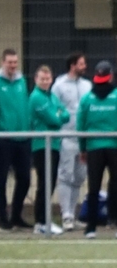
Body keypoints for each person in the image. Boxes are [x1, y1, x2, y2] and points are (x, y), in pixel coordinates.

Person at [0, 49, 32, 231]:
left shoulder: (22, 81)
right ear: (2, 62)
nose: (13, 65)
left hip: (23, 138)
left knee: (25, 179)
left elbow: (25, 106)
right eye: (9, 62)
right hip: (4, 139)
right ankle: (2, 218)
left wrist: (27, 129)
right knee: (1, 180)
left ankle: (16, 216)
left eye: (15, 62)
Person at [77, 60, 117, 239]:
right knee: (115, 185)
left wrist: (82, 148)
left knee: (93, 187)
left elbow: (81, 125)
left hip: (93, 148)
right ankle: (114, 222)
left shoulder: (87, 98)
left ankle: (91, 228)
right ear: (111, 76)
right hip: (114, 147)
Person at [52, 52, 92, 231]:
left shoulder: (87, 85)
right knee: (66, 176)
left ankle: (73, 214)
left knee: (79, 177)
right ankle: (66, 214)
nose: (84, 67)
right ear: (73, 65)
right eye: (81, 64)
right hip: (66, 137)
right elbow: (55, 107)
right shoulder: (59, 85)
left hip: (83, 139)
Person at [29, 65, 69, 235]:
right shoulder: (36, 97)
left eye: (48, 79)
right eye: (42, 79)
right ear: (36, 80)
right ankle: (41, 222)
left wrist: (59, 114)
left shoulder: (52, 96)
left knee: (50, 183)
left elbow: (66, 115)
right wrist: (58, 114)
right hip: (41, 146)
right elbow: (55, 120)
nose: (45, 82)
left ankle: (44, 220)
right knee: (45, 183)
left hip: (54, 145)